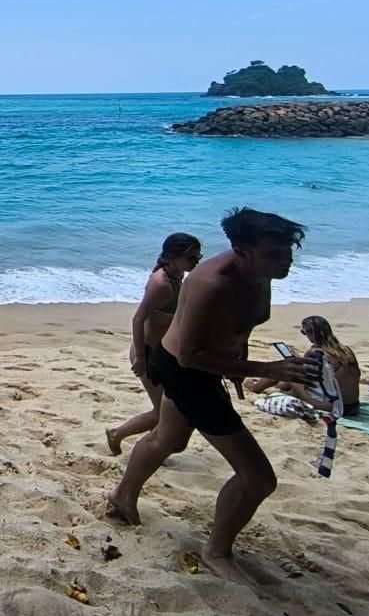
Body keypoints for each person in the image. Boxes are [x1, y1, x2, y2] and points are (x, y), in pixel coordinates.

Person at [106, 207, 319, 588]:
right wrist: (266, 370)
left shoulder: (259, 272)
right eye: (274, 254)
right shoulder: (211, 283)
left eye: (287, 253)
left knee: (168, 439)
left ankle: (122, 497)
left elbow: (240, 325)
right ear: (241, 249)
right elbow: (189, 355)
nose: (285, 262)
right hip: (187, 373)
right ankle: (216, 552)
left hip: (205, 367)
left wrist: (238, 362)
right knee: (258, 479)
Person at [105, 233, 203, 455]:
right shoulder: (161, 284)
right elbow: (138, 319)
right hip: (148, 353)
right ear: (173, 257)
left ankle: (153, 447)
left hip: (166, 353)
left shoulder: (178, 277)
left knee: (172, 410)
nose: (196, 262)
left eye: (198, 257)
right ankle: (118, 435)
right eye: (191, 257)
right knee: (161, 412)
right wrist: (140, 358)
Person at [246, 315, 361, 416]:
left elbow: (303, 377)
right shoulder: (346, 350)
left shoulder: (317, 353)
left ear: (311, 333)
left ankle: (255, 387)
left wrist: (299, 361)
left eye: (304, 332)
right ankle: (272, 386)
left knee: (285, 369)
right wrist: (301, 360)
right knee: (294, 371)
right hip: (353, 406)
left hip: (333, 406)